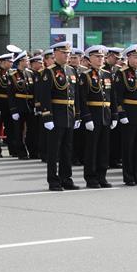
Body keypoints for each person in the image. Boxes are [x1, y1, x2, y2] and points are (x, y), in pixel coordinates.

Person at [38, 41, 79, 191]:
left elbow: (76, 95)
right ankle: (53, 180)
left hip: (69, 114)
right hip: (56, 114)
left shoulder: (72, 71)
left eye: (68, 53)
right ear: (55, 54)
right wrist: (47, 116)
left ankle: (66, 178)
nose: (66, 56)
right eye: (63, 53)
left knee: (67, 150)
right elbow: (45, 96)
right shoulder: (49, 72)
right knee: (54, 151)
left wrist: (78, 115)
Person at [113, 44, 137, 186]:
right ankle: (128, 176)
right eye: (135, 57)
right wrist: (121, 112)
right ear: (128, 57)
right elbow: (117, 95)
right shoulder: (122, 73)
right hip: (129, 114)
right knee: (128, 147)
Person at [79, 45, 115, 188]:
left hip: (105, 115)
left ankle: (102, 176)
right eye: (97, 57)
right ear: (89, 59)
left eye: (102, 57)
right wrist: (87, 117)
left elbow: (112, 97)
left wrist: (115, 115)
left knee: (104, 148)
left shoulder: (107, 74)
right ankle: (91, 177)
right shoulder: (85, 75)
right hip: (93, 115)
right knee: (92, 148)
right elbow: (82, 99)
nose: (100, 59)